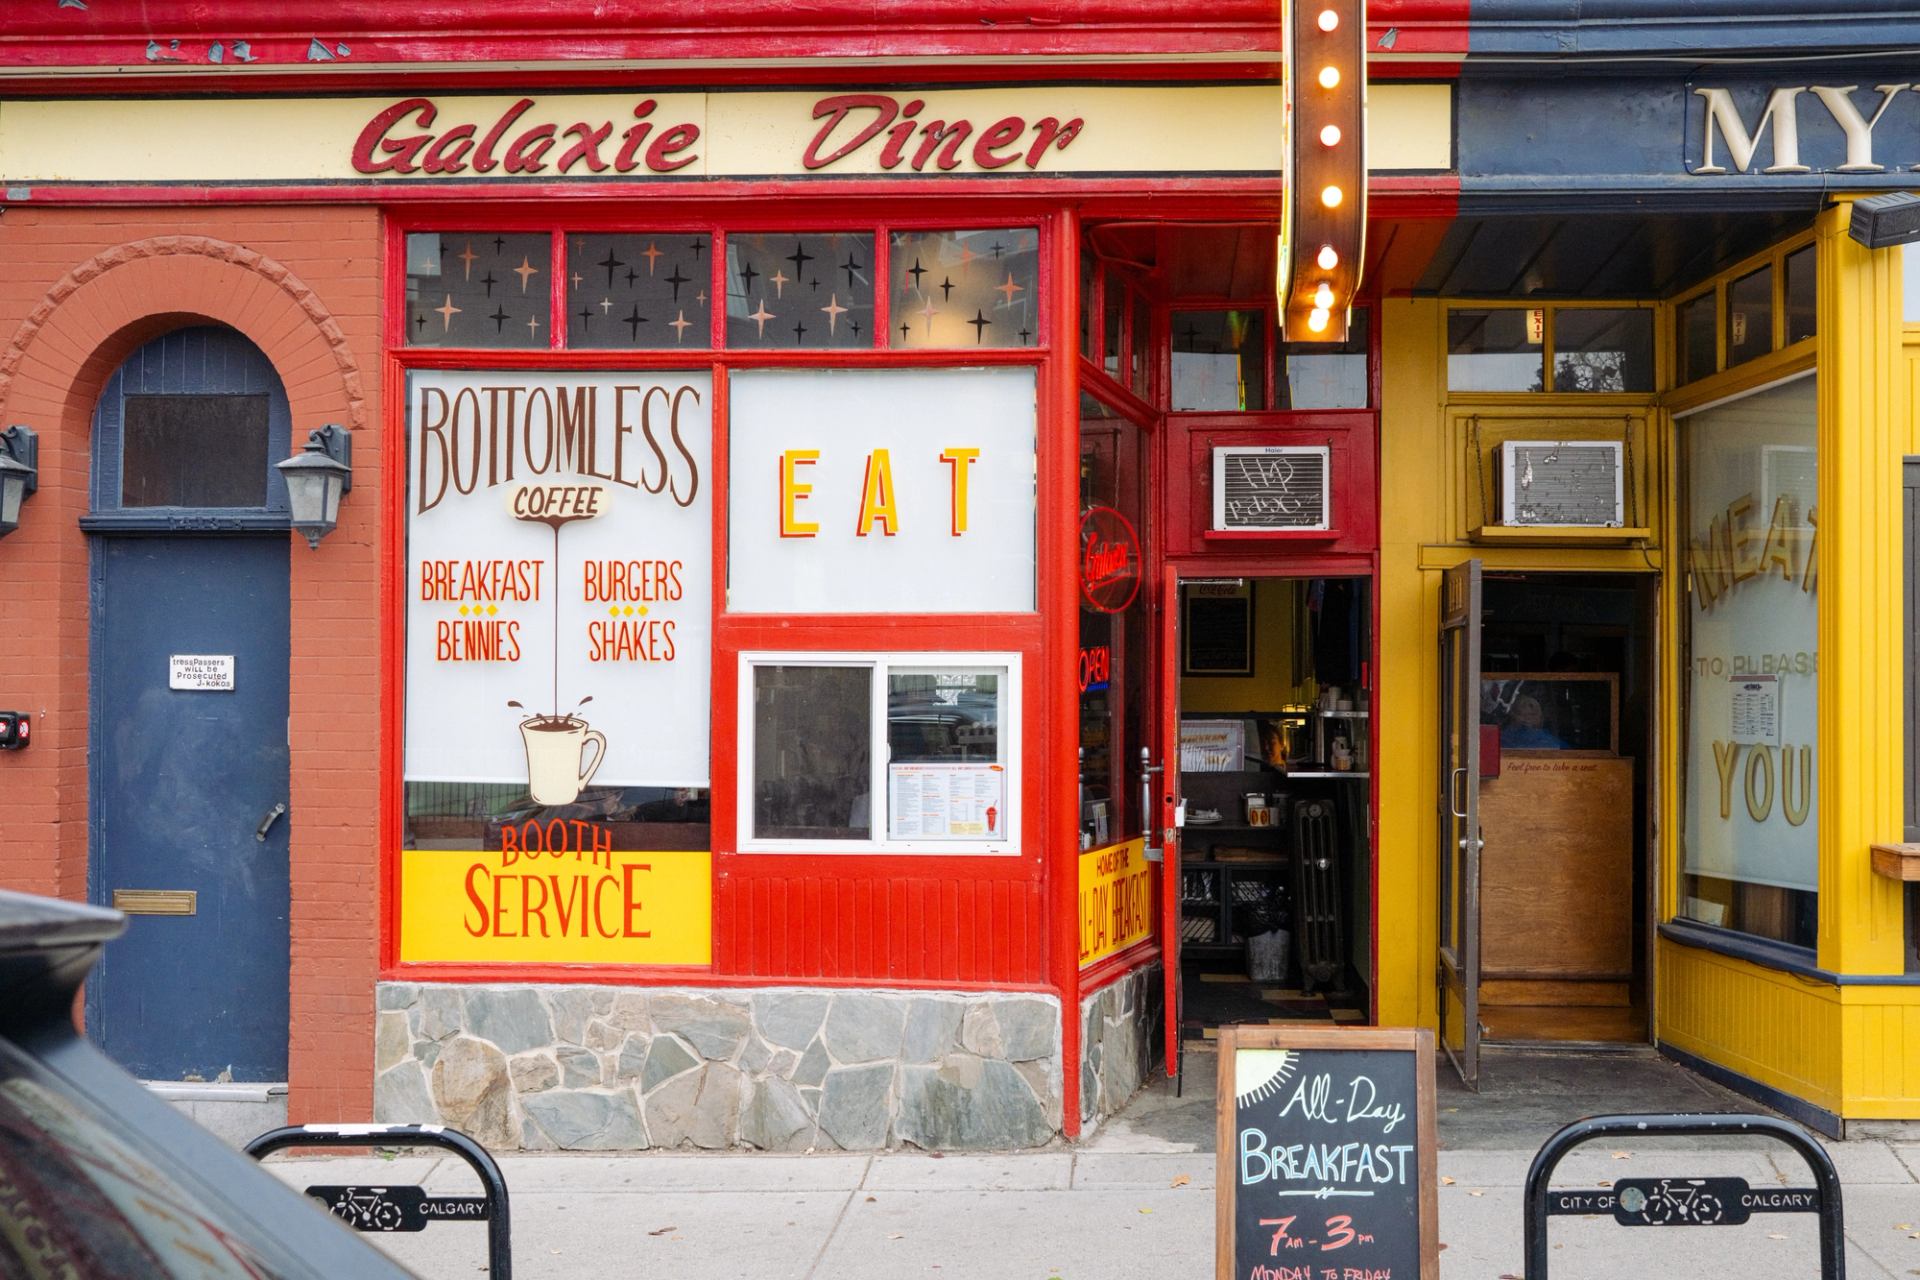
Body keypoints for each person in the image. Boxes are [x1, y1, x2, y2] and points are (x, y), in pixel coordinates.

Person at [1500, 693, 1566, 749]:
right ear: (1513, 714)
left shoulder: (1554, 742)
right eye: (1522, 714)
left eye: (1533, 714)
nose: (1531, 707)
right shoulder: (1502, 739)